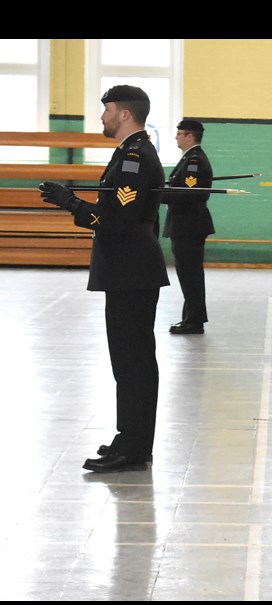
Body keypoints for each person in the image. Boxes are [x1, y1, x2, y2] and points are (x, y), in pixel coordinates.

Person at [38, 85, 170, 473]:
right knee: (132, 362)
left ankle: (132, 446)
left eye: (106, 109)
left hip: (131, 271)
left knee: (132, 363)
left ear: (125, 114)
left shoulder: (134, 158)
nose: (102, 117)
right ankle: (132, 439)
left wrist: (71, 203)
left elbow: (119, 220)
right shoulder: (131, 154)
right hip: (130, 272)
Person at [163, 119, 215, 335]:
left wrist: (157, 195)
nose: (176, 138)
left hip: (188, 225)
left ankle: (193, 321)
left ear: (189, 136)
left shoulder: (193, 161)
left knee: (190, 274)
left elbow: (189, 193)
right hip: (187, 225)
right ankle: (192, 318)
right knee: (188, 274)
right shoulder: (190, 159)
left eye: (179, 134)